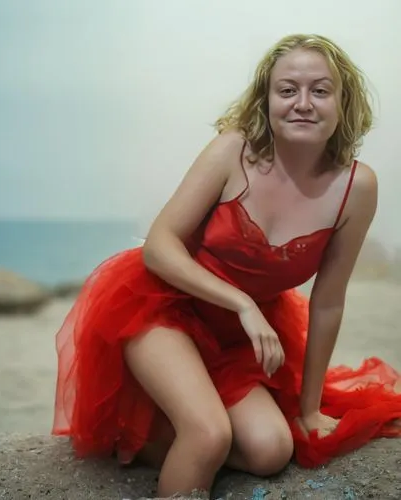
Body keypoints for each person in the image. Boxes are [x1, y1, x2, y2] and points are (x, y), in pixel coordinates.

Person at [52, 33, 401, 498]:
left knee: (271, 450)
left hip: (236, 341)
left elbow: (328, 303)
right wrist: (242, 303)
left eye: (320, 90)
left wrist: (310, 407)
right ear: (266, 99)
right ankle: (182, 425)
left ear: (343, 103)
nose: (302, 103)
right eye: (287, 90)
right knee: (209, 435)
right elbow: (160, 245)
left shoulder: (357, 188)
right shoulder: (233, 150)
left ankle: (151, 433)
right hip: (162, 308)